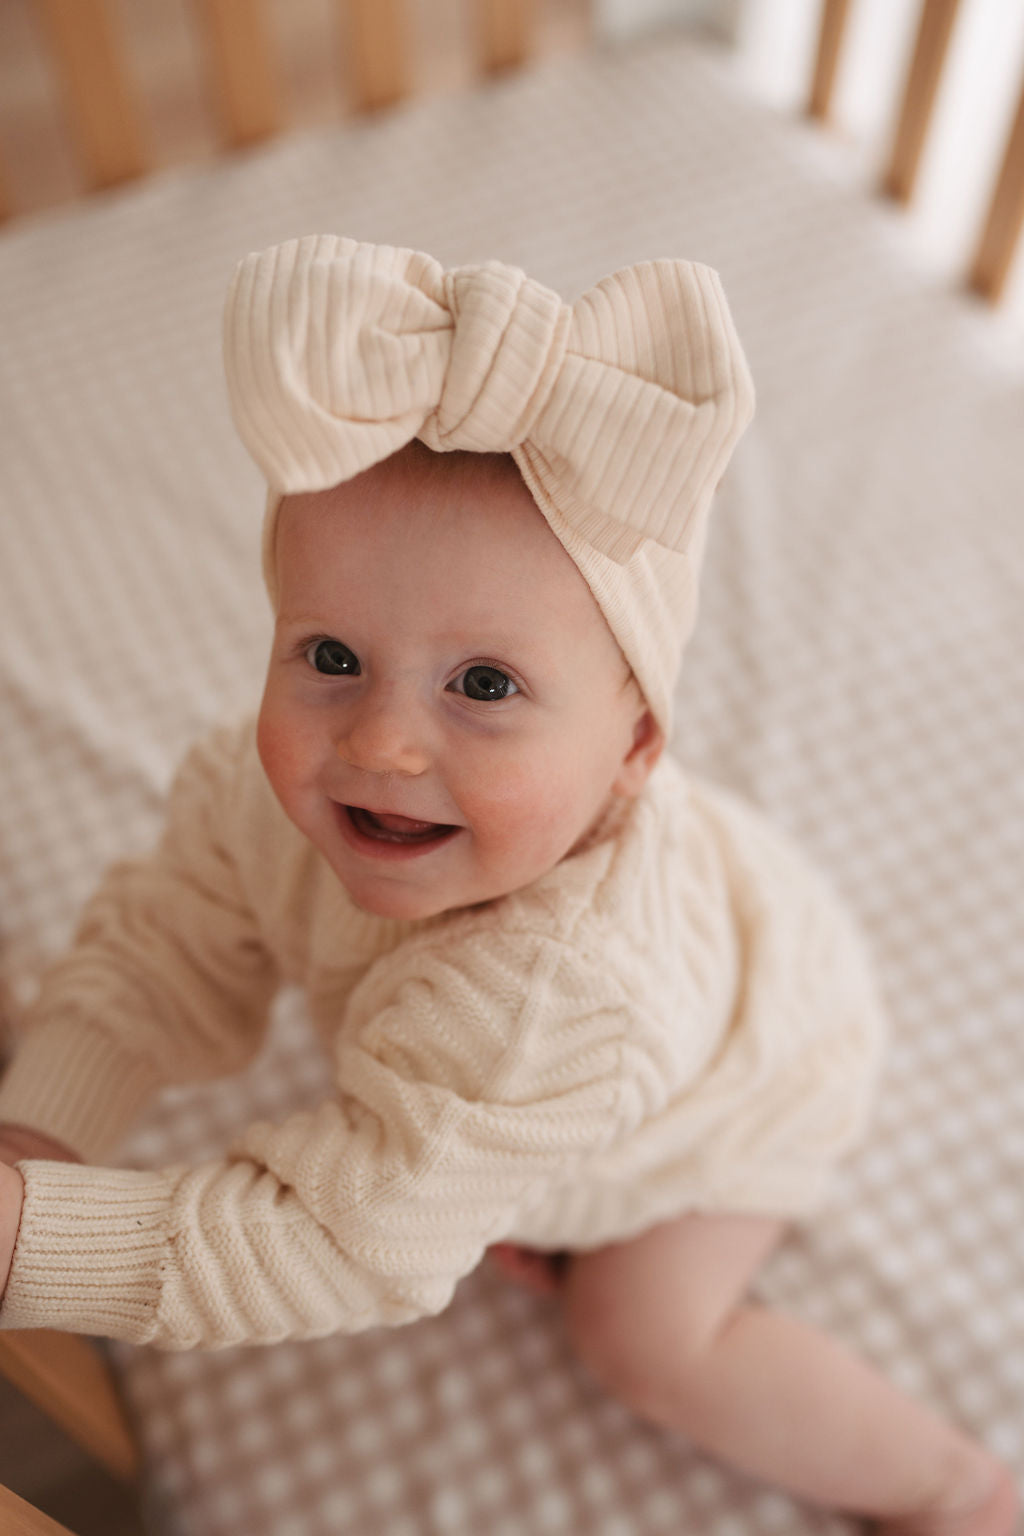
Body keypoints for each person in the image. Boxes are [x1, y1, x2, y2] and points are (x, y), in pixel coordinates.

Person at [0, 236, 1015, 1533]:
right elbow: (161, 949)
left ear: (635, 745)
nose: (378, 743)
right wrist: (40, 1137)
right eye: (329, 652)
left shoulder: (552, 998)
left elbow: (337, 1238)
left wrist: (34, 1240)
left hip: (751, 1079)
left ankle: (952, 1485)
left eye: (483, 686)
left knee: (644, 1338)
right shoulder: (265, 791)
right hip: (676, 960)